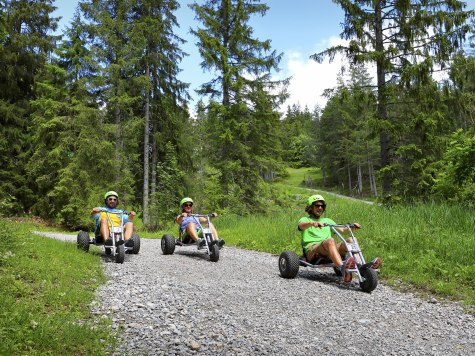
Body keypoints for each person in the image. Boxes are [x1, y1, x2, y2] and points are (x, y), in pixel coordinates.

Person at [298, 194, 362, 282]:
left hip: (329, 248)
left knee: (352, 239)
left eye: (322, 206)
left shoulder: (327, 221)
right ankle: (343, 269)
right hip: (312, 251)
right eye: (317, 205)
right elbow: (301, 226)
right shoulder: (305, 219)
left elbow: (343, 230)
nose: (320, 208)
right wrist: (312, 223)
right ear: (310, 207)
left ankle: (360, 266)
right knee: (330, 241)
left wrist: (353, 227)